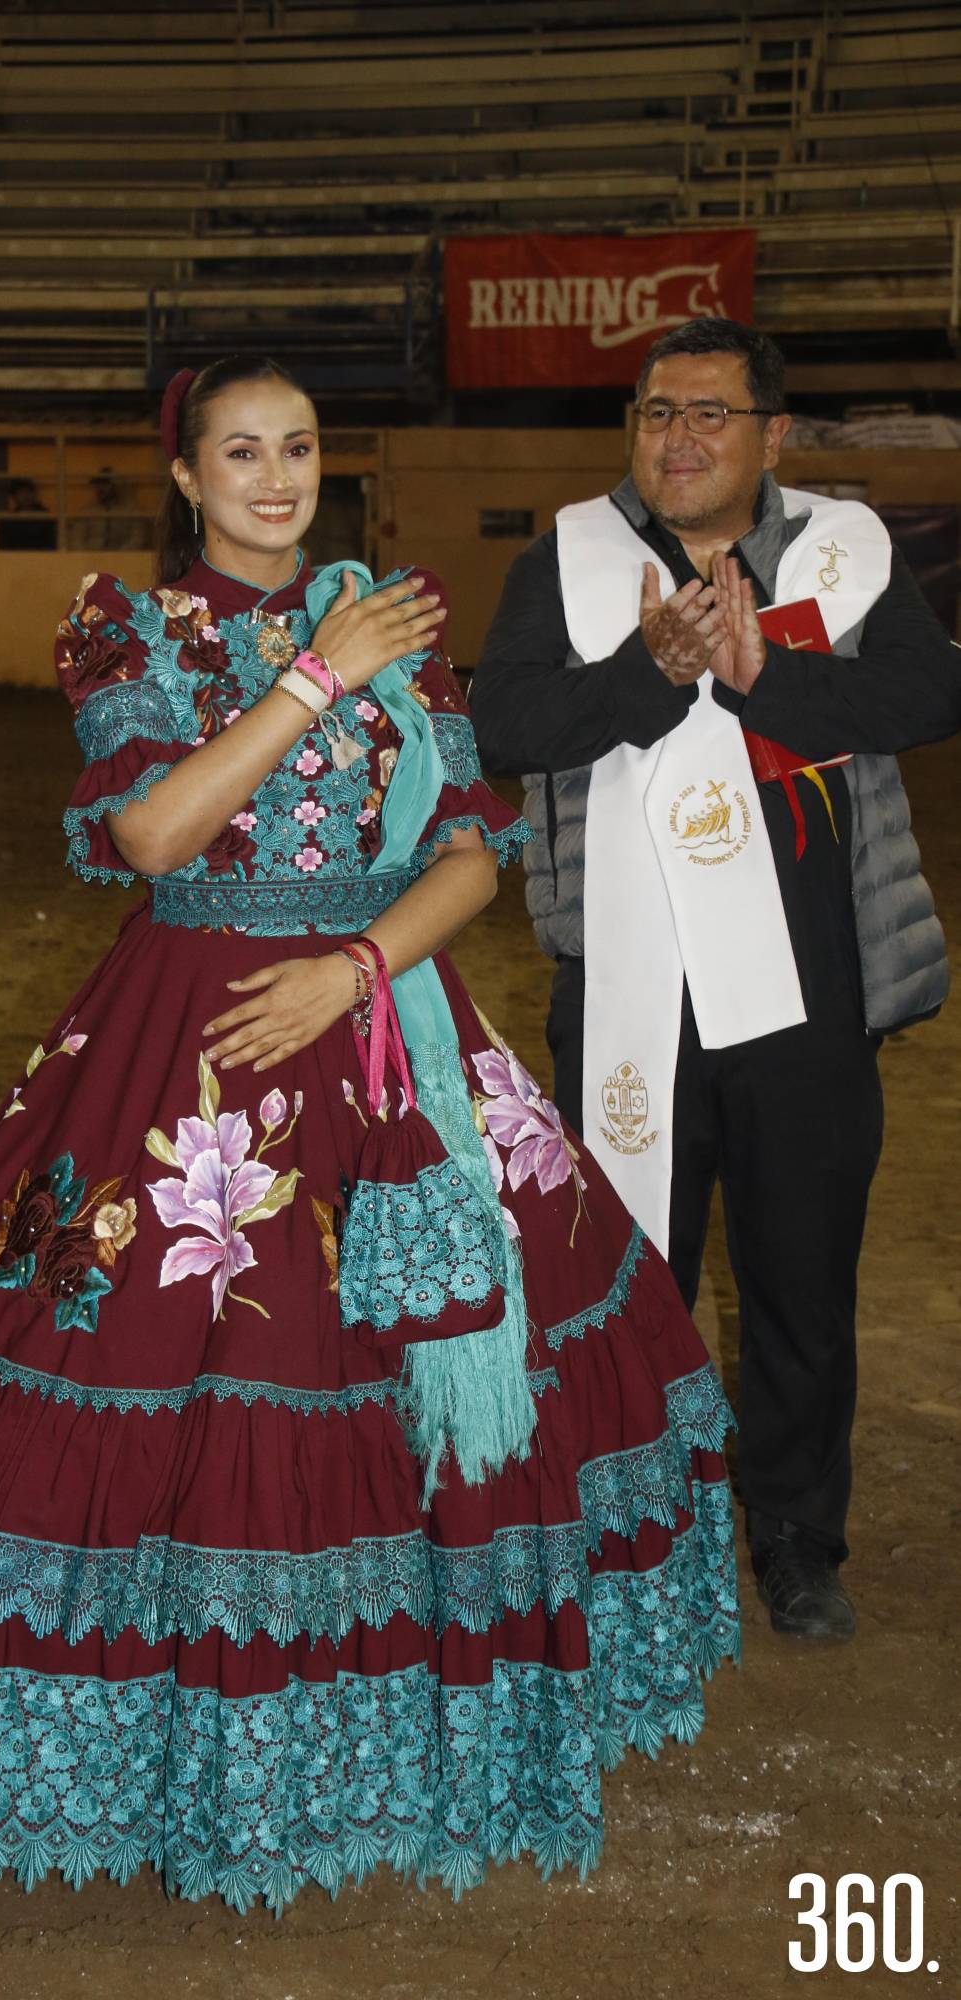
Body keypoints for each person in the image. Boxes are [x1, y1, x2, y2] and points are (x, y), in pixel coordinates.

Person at [0, 354, 738, 1910]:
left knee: (448, 1365)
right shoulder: (133, 624)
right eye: (241, 453)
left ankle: (425, 1743)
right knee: (173, 1355)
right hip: (194, 1040)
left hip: (383, 1019)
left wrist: (358, 967)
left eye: (297, 448)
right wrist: (312, 676)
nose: (277, 479)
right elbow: (148, 831)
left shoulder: (396, 610)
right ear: (185, 476)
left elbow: (471, 857)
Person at [471, 317, 961, 1643]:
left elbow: (929, 695)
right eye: (655, 413)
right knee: (631, 1277)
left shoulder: (840, 556)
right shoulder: (568, 561)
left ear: (770, 433)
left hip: (816, 993)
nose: (678, 439)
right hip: (630, 998)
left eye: (709, 414)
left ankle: (797, 1537)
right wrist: (653, 674)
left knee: (803, 1279)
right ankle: (635, 1528)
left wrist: (765, 678)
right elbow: (504, 728)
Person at [0, 476, 57, 552]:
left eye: (28, 491)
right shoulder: (8, 521)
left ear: (34, 494)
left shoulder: (46, 518)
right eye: (21, 492)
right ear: (14, 496)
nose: (25, 495)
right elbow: (2, 548)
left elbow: (51, 546)